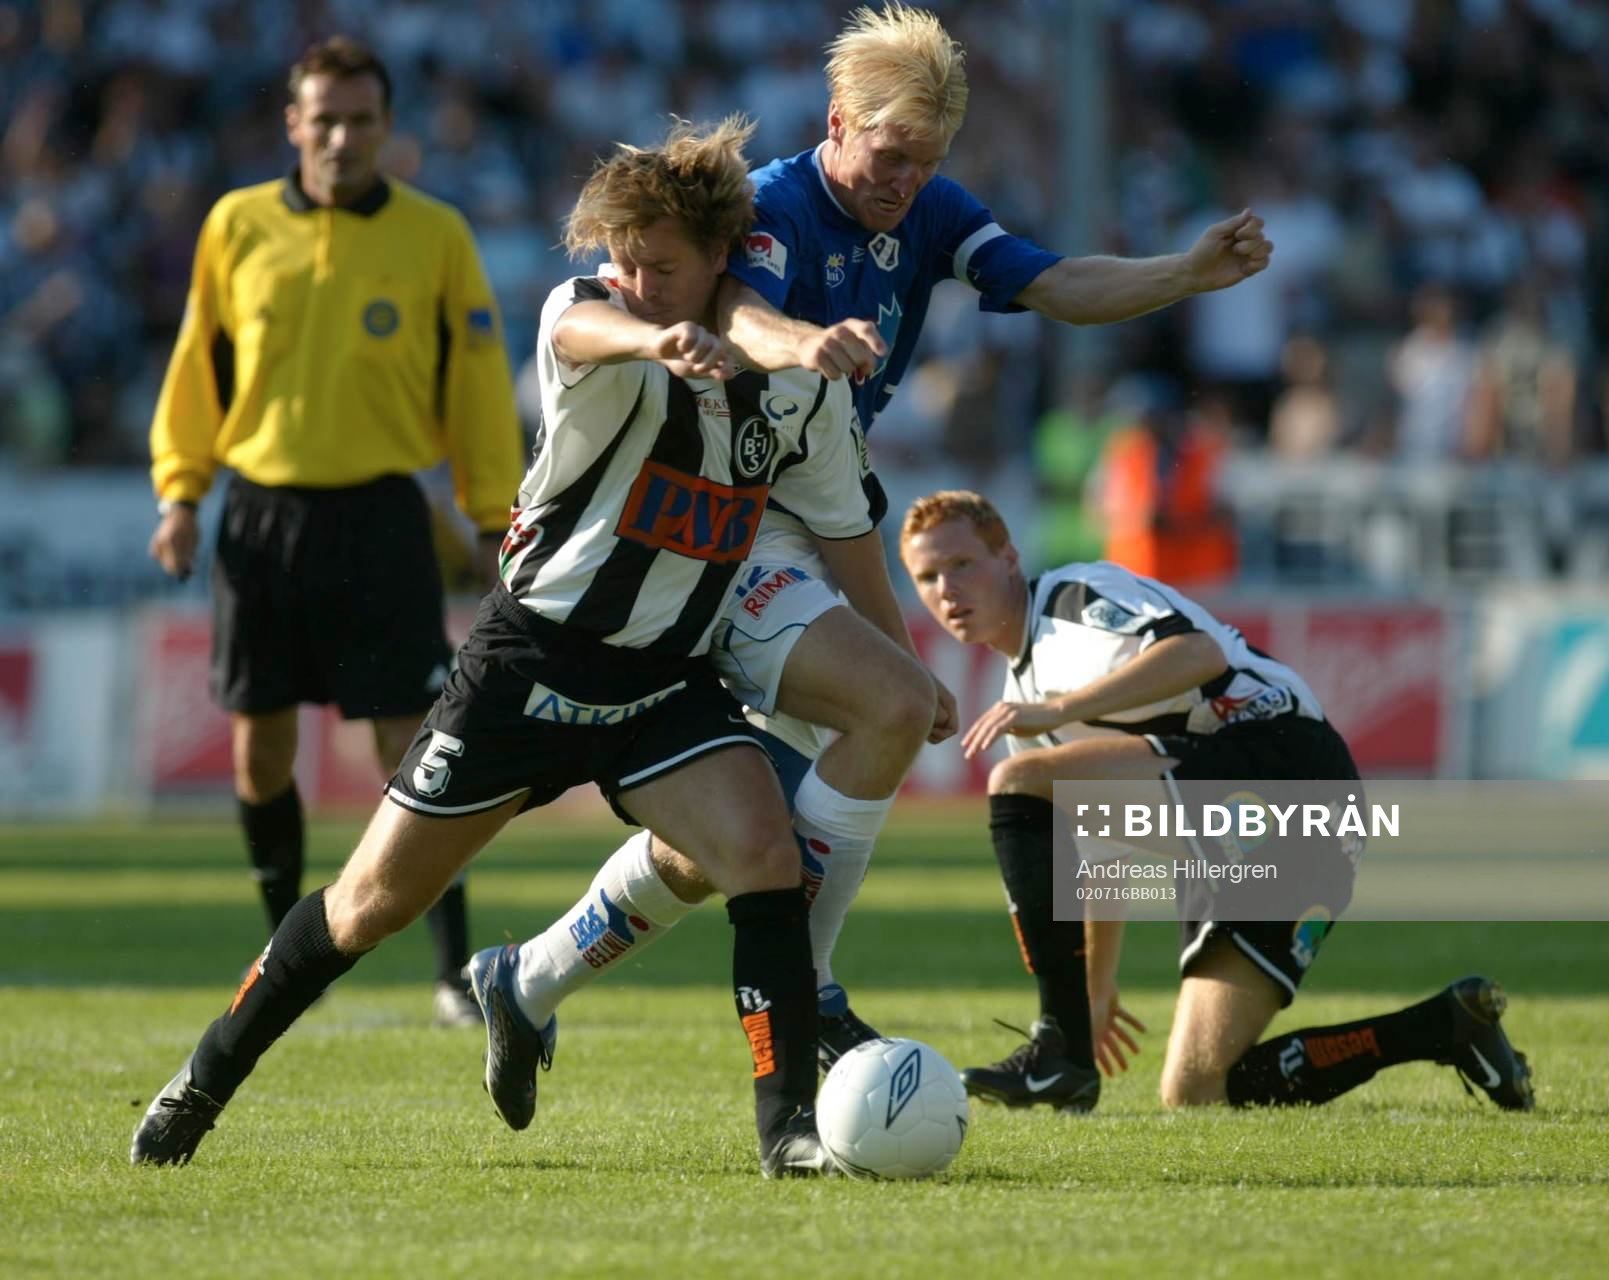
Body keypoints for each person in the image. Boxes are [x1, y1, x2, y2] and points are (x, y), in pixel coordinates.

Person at [497, 3, 1276, 1072]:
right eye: (890, 152)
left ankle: (526, 977)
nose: (904, 179)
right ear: (836, 121)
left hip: (810, 519)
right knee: (888, 714)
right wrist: (810, 344)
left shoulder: (933, 213)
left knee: (718, 842)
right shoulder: (771, 203)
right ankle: (808, 992)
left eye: (925, 161)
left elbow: (1051, 283)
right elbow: (738, 317)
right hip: (737, 528)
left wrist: (1181, 274)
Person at [131, 116, 876, 1178]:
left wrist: (901, 663)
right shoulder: (592, 317)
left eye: (659, 265)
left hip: (661, 676)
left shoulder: (787, 380)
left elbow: (843, 520)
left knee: (759, 850)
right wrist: (654, 332)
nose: (632, 279)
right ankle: (200, 1079)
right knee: (367, 907)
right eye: (621, 258)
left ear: (722, 259)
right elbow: (582, 330)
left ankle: (787, 1133)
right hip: (529, 662)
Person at [897, 489, 1535, 1115]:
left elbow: (1197, 654)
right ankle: (1444, 1027)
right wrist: (1096, 988)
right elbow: (1101, 854)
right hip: (1245, 829)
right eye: (927, 577)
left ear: (1008, 557)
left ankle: (1055, 1051)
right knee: (1197, 1089)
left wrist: (1061, 710)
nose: (947, 589)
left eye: (962, 564)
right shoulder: (1025, 706)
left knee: (1018, 784)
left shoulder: (1072, 598)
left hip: (1288, 766)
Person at [145, 37, 524, 1026]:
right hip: (260, 517)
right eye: (324, 118)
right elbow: (199, 365)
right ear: (293, 124)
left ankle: (452, 971)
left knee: (419, 749)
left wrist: (493, 515)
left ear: (386, 127)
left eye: (360, 119)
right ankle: (286, 957)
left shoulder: (435, 236)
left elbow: (479, 388)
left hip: (382, 515)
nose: (343, 136)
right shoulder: (237, 225)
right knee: (258, 756)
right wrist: (180, 494)